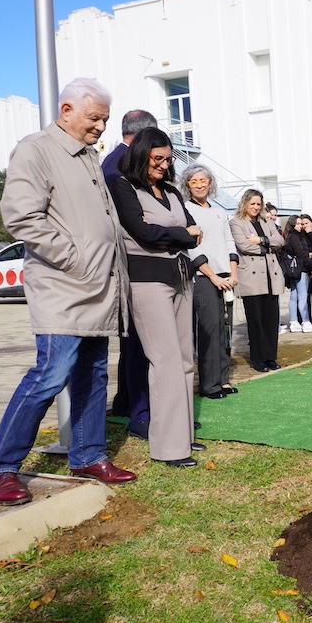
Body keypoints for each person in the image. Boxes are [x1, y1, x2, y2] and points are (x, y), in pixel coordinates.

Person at [0, 78, 137, 505]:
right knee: (50, 374)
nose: (101, 127)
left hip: (96, 288)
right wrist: (74, 257)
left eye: (105, 119)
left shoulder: (89, 156)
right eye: (94, 118)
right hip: (62, 286)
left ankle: (87, 454)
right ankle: (0, 466)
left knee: (93, 373)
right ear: (66, 110)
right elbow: (21, 216)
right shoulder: (36, 149)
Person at [112, 127, 205, 468]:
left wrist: (171, 235)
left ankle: (183, 437)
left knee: (183, 359)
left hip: (181, 276)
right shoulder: (123, 186)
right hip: (147, 281)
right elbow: (142, 231)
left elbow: (194, 233)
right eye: (158, 158)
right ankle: (168, 448)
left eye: (168, 159)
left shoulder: (170, 190)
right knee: (164, 360)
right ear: (141, 154)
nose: (164, 165)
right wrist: (180, 234)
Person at [102, 109, 157, 419]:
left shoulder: (115, 161)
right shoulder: (121, 166)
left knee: (135, 343)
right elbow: (133, 221)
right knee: (139, 342)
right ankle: (139, 409)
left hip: (131, 260)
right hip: (132, 261)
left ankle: (127, 402)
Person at [181, 163, 240, 400]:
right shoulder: (186, 210)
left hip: (227, 277)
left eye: (202, 180)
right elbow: (192, 248)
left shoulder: (219, 211)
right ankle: (209, 384)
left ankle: (223, 379)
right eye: (193, 181)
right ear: (187, 185)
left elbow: (229, 242)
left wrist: (233, 272)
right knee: (208, 330)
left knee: (225, 330)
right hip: (204, 277)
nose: (199, 184)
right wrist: (212, 276)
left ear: (210, 183)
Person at [230, 189, 286, 372]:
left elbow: (280, 241)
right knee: (256, 321)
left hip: (271, 276)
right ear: (245, 203)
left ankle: (270, 357)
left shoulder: (267, 221)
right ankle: (258, 359)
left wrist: (260, 240)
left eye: (258, 204)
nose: (255, 207)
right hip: (251, 277)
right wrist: (266, 247)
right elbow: (243, 245)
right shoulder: (236, 222)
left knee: (271, 320)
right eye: (252, 203)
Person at [282, 215, 312, 333]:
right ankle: (305, 322)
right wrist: (310, 266)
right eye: (299, 223)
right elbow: (301, 253)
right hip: (301, 269)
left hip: (293, 270)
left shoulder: (290, 236)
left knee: (294, 296)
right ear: (293, 224)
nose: (301, 226)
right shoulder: (296, 237)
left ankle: (294, 321)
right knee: (302, 296)